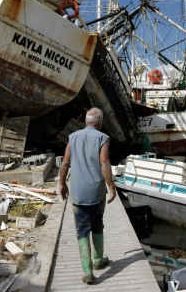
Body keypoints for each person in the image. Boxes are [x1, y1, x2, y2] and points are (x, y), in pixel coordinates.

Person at [59, 108, 117, 284]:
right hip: (97, 192)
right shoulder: (103, 138)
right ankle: (99, 260)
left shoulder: (73, 137)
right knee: (97, 224)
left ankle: (88, 271)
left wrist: (62, 184)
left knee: (82, 229)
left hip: (77, 191)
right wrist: (111, 187)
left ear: (86, 122)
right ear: (99, 122)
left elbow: (65, 162)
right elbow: (104, 163)